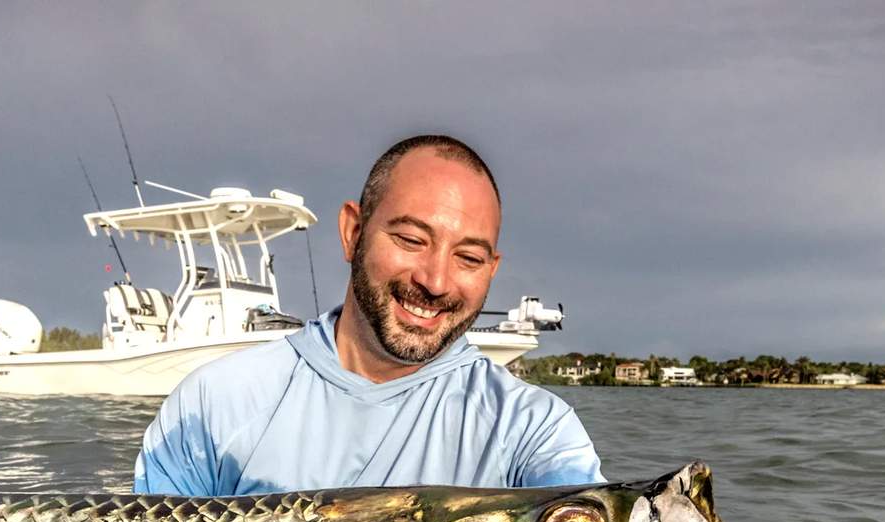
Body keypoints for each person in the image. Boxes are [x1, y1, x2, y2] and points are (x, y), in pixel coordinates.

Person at [134, 134, 603, 497]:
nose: (436, 281)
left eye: (468, 258)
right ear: (353, 233)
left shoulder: (532, 431)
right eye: (411, 240)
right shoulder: (214, 405)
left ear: (492, 269)